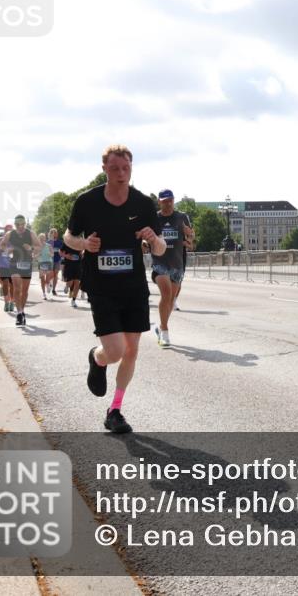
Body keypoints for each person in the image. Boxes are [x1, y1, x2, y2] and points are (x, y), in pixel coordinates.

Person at [63, 145, 165, 434]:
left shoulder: (143, 203)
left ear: (131, 168)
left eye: (126, 168)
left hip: (133, 285)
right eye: (115, 168)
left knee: (132, 350)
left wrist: (153, 238)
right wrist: (84, 244)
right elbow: (69, 237)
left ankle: (115, 410)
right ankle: (97, 358)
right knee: (115, 351)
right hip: (101, 285)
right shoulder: (87, 202)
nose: (121, 173)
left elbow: (160, 247)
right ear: (104, 168)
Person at [150, 189, 192, 348]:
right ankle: (165, 332)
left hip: (177, 263)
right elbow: (148, 237)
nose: (168, 203)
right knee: (166, 294)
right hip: (160, 261)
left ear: (174, 200)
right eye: (164, 200)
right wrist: (146, 244)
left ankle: (160, 327)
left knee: (170, 300)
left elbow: (191, 239)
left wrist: (190, 235)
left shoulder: (182, 217)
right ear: (160, 202)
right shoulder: (154, 218)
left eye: (170, 200)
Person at [0, 215, 41, 326]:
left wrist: (31, 248)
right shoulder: (10, 234)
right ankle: (18, 313)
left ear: (24, 224)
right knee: (17, 288)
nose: (20, 226)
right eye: (18, 225)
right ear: (15, 225)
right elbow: (2, 244)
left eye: (22, 224)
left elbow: (38, 246)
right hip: (14, 263)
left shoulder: (30, 233)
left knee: (25, 290)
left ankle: (22, 311)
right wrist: (7, 249)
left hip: (27, 263)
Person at [60, 240, 84, 308]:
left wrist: (81, 252)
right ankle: (67, 286)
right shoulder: (67, 242)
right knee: (70, 282)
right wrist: (65, 255)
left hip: (78, 265)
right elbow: (60, 252)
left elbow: (82, 251)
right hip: (69, 265)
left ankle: (73, 300)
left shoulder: (80, 242)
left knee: (77, 283)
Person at [37, 233, 54, 300]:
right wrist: (38, 254)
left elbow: (52, 254)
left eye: (43, 238)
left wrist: (50, 254)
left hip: (48, 262)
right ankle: (44, 294)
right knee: (42, 279)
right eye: (40, 238)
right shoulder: (37, 247)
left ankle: (48, 284)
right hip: (41, 263)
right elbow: (34, 255)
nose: (41, 239)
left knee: (47, 279)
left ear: (45, 239)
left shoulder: (49, 246)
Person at [48, 228, 63, 296]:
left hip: (57, 260)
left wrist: (60, 253)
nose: (54, 234)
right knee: (51, 274)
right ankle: (50, 283)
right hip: (50, 260)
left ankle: (54, 289)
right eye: (53, 232)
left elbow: (62, 250)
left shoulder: (60, 242)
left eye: (55, 232)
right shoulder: (48, 242)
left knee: (55, 275)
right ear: (50, 234)